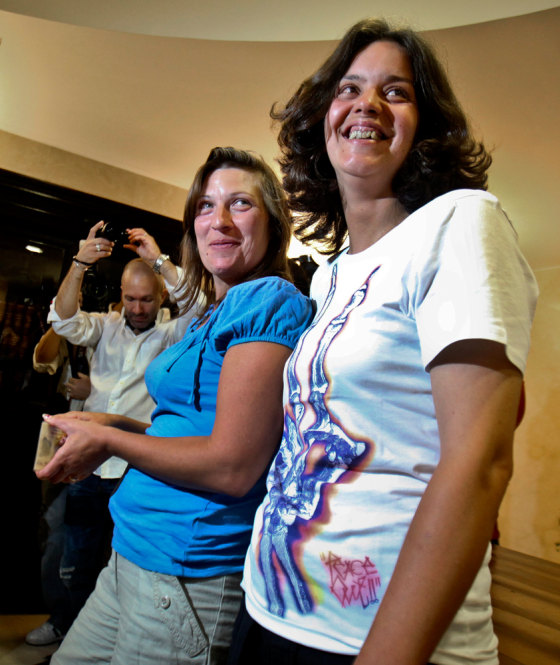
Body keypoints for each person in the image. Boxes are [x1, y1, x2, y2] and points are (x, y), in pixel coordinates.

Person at [232, 19, 539, 665]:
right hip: (269, 608)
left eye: (395, 92)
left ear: (425, 128)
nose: (366, 103)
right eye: (349, 88)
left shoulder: (460, 222)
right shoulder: (330, 272)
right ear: (323, 118)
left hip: (374, 641)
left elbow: (480, 463)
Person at [36, 146, 315, 665]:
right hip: (132, 551)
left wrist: (109, 440)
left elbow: (232, 467)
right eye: (206, 206)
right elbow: (192, 428)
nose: (220, 221)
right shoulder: (212, 315)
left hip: (187, 569)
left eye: (241, 204)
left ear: (274, 224)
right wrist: (112, 419)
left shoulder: (269, 299)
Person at [29, 234, 198, 647]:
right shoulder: (104, 326)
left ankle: (112, 640)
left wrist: (160, 262)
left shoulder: (173, 333)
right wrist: (79, 265)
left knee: (128, 563)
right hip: (88, 468)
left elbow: (201, 311)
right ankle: (68, 629)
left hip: (137, 470)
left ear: (160, 296)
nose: (138, 309)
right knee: (73, 561)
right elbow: (64, 321)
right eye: (131, 299)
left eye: (147, 299)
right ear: (121, 295)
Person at [26, 327, 91, 646]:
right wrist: (61, 321)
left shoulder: (120, 329)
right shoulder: (78, 332)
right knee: (54, 532)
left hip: (102, 456)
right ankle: (60, 618)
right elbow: (42, 359)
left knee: (88, 546)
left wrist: (93, 390)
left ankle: (78, 624)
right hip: (58, 447)